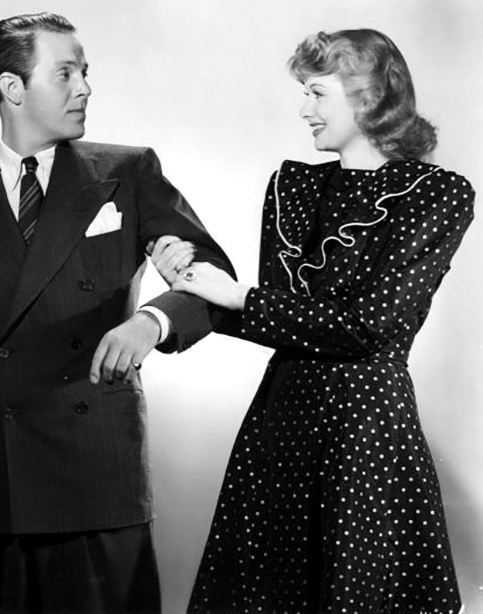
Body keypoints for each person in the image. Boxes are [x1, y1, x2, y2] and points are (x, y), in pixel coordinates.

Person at [0, 12, 236, 614]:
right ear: (12, 87)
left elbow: (212, 276)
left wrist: (151, 321)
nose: (85, 88)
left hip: (98, 466)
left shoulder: (127, 172)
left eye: (85, 72)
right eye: (66, 73)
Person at [152, 29, 475, 613]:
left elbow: (368, 326)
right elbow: (276, 318)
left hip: (366, 430)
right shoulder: (294, 186)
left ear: (370, 95)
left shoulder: (438, 194)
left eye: (317, 93)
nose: (304, 110)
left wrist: (237, 296)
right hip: (283, 421)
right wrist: (195, 283)